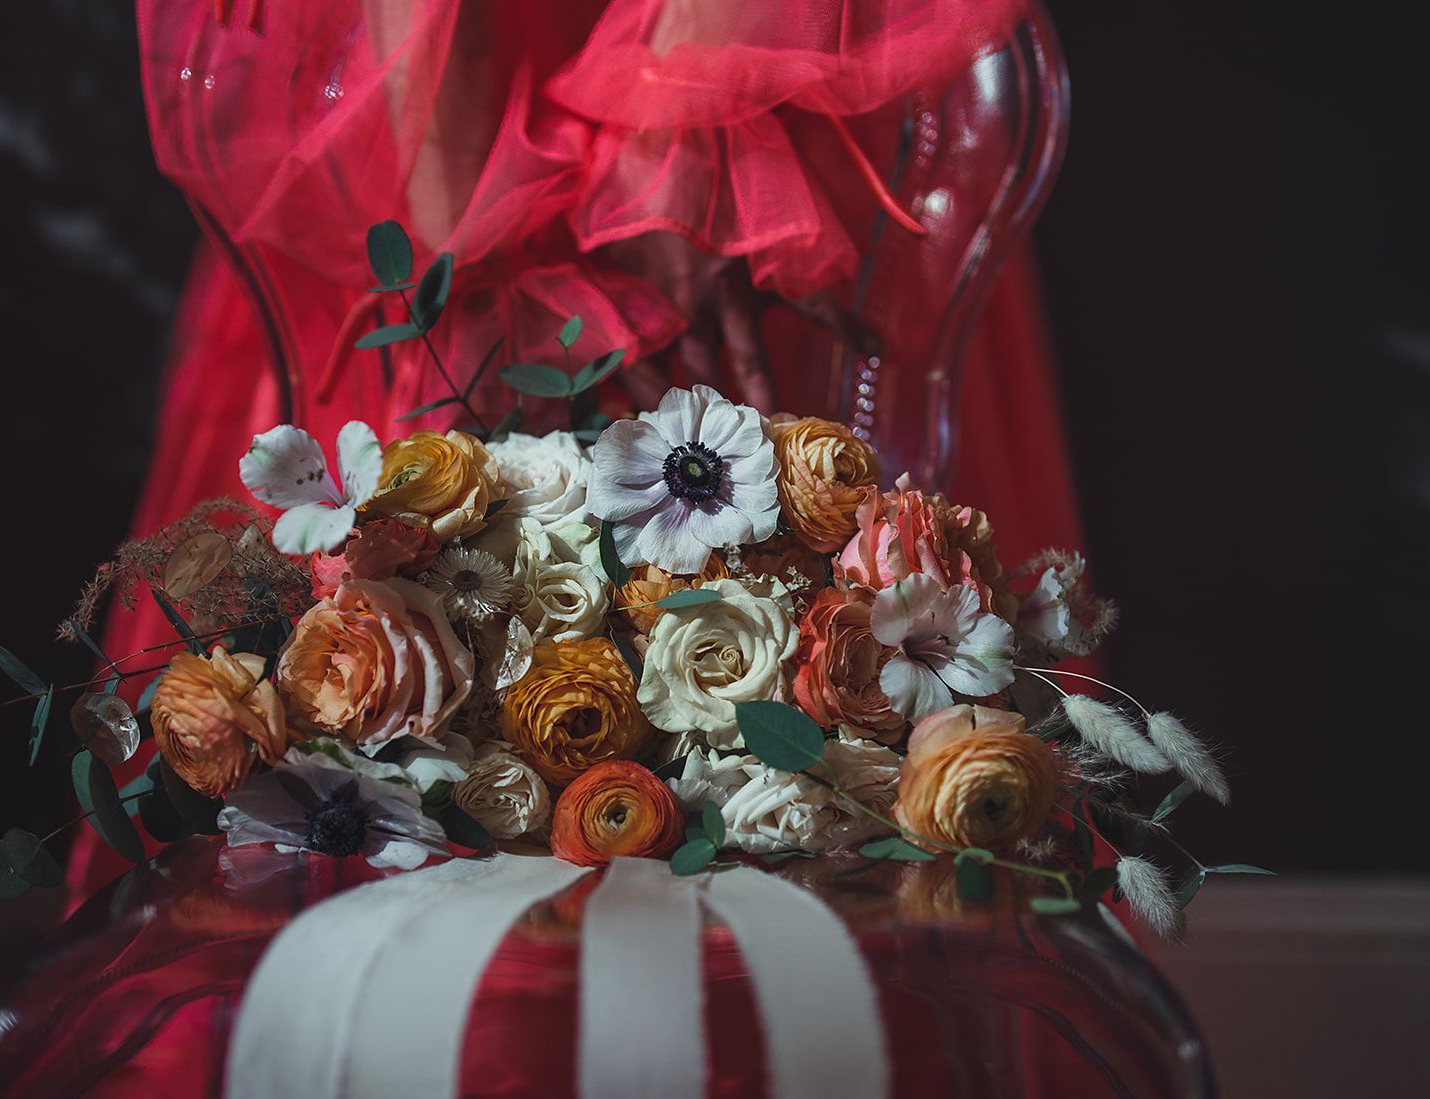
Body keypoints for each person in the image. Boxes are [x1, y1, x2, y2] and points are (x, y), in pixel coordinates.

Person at [67, 0, 1085, 901]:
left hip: (774, 76)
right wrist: (449, 209)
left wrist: (696, 130)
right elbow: (429, 207)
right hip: (414, 87)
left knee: (828, 631)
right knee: (378, 621)